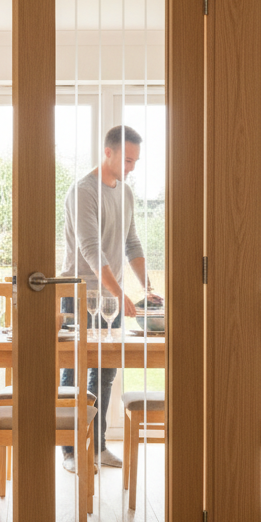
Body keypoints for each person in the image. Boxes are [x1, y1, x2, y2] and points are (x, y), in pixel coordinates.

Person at [59, 125, 157, 470]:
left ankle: (97, 447)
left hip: (109, 298)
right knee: (74, 370)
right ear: (108, 152)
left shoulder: (125, 193)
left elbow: (131, 244)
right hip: (79, 294)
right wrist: (120, 292)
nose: (131, 167)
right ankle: (71, 452)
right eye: (127, 159)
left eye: (135, 161)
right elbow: (90, 249)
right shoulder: (83, 192)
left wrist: (146, 287)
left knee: (105, 372)